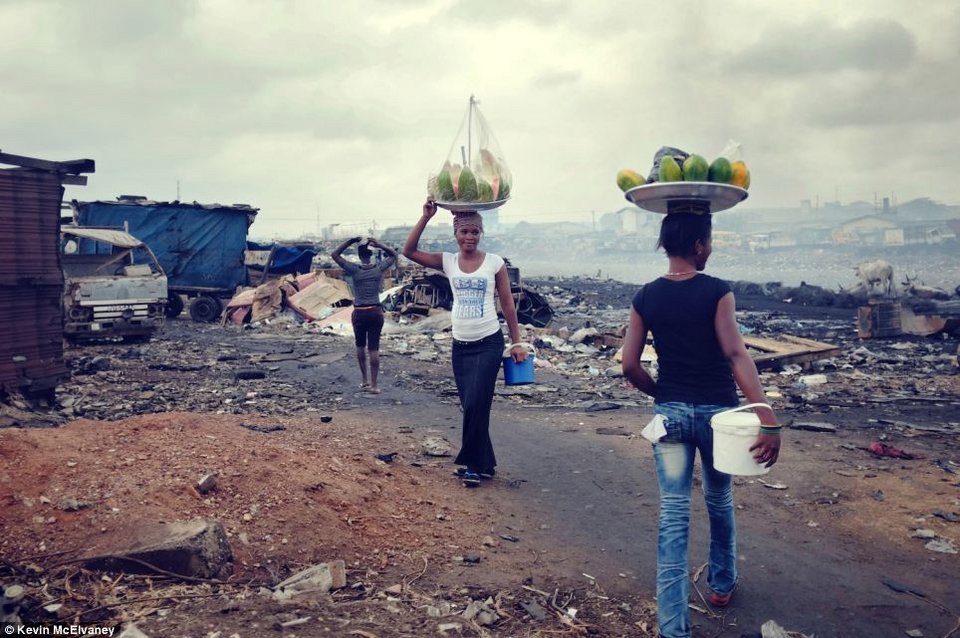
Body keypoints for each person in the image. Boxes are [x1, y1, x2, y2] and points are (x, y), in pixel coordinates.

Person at [620, 212, 781, 638]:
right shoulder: (717, 292)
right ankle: (722, 584)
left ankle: (673, 628)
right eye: (707, 242)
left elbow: (629, 365)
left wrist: (663, 397)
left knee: (673, 515)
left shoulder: (645, 297)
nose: (710, 249)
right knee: (718, 498)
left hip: (670, 416)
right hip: (720, 419)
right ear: (696, 246)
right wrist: (765, 413)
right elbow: (735, 354)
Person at [403, 200, 528, 487]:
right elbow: (408, 251)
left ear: (481, 233)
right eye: (464, 232)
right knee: (470, 405)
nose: (469, 237)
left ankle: (471, 465)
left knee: (476, 404)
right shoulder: (447, 261)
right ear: (456, 234)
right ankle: (486, 463)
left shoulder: (495, 263)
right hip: (460, 345)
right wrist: (425, 217)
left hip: (488, 342)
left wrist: (517, 342)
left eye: (474, 232)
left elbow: (508, 305)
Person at [331, 236, 398, 394]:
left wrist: (350, 241)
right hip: (375, 311)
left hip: (359, 312)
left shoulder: (354, 269)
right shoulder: (378, 268)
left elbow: (335, 255)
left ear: (360, 256)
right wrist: (380, 244)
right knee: (373, 349)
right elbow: (394, 255)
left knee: (360, 346)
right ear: (371, 255)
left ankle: (364, 381)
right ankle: (374, 386)